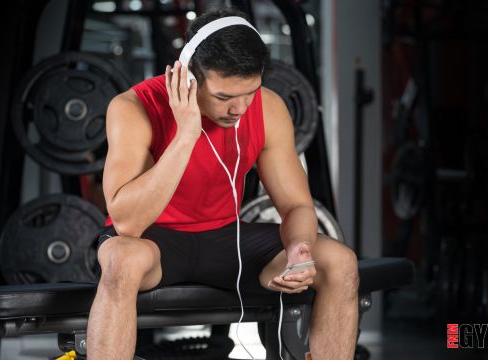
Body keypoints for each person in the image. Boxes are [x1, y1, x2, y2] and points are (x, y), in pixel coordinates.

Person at [86, 8, 359, 360]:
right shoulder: (132, 108)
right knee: (121, 259)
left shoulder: (268, 108)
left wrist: (299, 249)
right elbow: (127, 223)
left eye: (249, 92)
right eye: (224, 97)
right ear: (187, 77)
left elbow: (296, 206)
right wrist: (185, 134)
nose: (239, 109)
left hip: (225, 238)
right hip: (154, 241)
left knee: (339, 260)